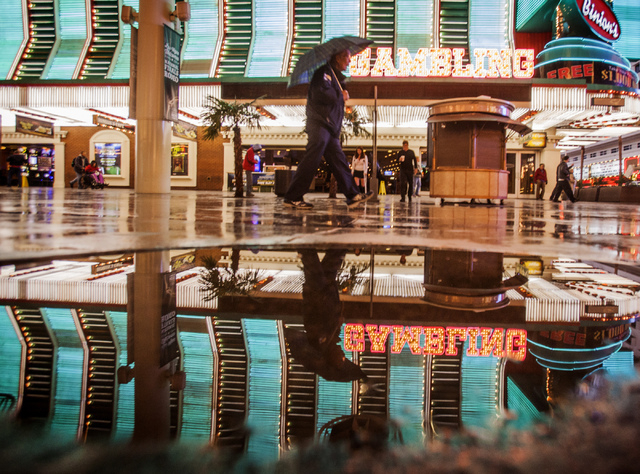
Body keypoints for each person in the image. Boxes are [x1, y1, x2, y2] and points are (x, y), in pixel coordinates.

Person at [284, 49, 373, 209]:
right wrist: (340, 95)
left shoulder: (336, 77)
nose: (349, 60)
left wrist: (341, 93)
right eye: (346, 56)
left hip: (330, 127)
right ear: (337, 57)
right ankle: (292, 196)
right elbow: (321, 94)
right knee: (312, 158)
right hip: (320, 124)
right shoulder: (323, 73)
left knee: (339, 160)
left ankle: (352, 195)